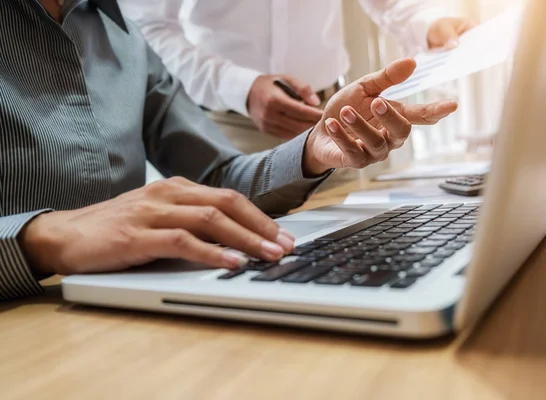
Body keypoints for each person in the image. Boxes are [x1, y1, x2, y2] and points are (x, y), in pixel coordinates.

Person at [0, 0, 457, 301]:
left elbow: (220, 178)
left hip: (120, 311)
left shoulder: (121, 33)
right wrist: (43, 238)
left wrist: (313, 150)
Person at [118, 0, 475, 153]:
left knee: (352, 259)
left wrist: (429, 24)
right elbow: (146, 26)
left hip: (335, 119)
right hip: (226, 130)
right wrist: (241, 88)